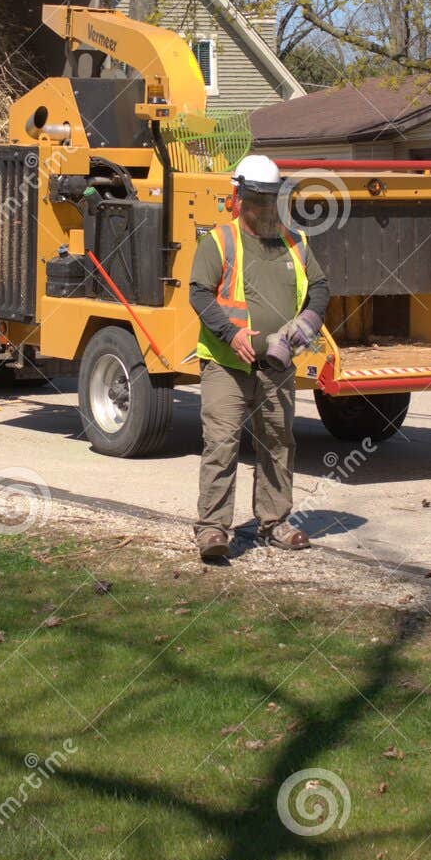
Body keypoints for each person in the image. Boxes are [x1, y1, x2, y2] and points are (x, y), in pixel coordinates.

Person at [189, 154, 331, 561]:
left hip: (276, 366)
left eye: (271, 200)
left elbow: (319, 288)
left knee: (278, 444)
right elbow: (199, 293)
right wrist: (231, 335)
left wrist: (305, 324)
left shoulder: (295, 241)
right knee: (221, 444)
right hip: (226, 365)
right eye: (257, 200)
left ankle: (275, 522)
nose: (264, 208)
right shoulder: (218, 240)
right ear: (238, 196)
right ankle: (213, 529)